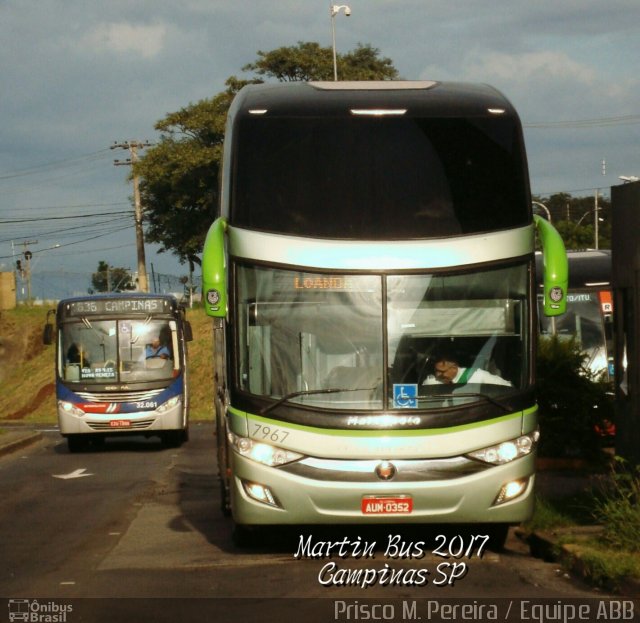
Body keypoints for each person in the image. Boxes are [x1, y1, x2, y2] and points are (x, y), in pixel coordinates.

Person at [423, 352, 511, 387]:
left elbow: (507, 387)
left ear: (454, 368)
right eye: (436, 371)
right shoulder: (432, 382)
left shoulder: (477, 376)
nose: (438, 375)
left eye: (441, 372)